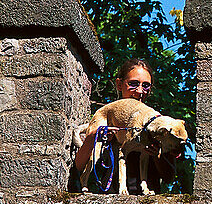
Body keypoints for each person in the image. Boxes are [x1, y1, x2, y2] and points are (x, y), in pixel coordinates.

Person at [71, 57, 174, 193]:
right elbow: (78, 167)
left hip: (147, 201)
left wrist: (157, 154)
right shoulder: (105, 118)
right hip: (109, 199)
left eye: (146, 86)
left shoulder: (158, 124)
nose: (140, 91)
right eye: (133, 84)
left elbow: (170, 177)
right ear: (119, 85)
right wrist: (94, 136)